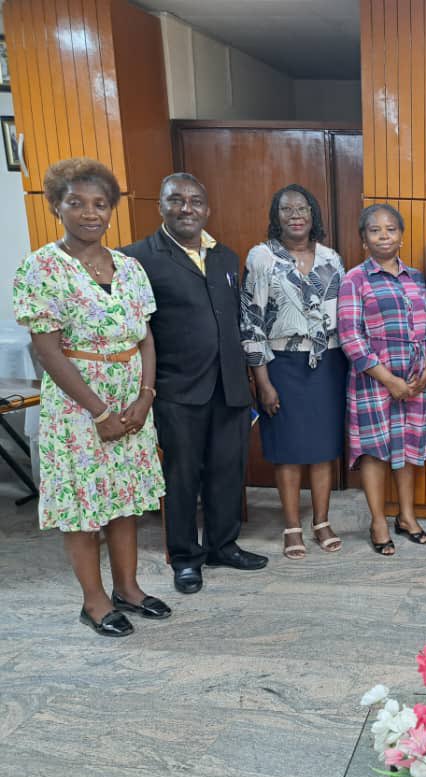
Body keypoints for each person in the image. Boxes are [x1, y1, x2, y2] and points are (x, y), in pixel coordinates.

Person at [13, 158, 169, 636]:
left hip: (130, 401)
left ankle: (129, 588)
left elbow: (145, 336)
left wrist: (145, 397)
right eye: (76, 203)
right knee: (83, 507)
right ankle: (95, 601)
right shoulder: (42, 267)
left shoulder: (128, 267)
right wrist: (99, 410)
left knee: (124, 500)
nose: (89, 213)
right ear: (56, 205)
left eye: (100, 204)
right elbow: (47, 348)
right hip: (79, 408)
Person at [122, 173, 267, 595]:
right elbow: (138, 331)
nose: (188, 208)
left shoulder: (224, 255)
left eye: (196, 201)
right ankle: (186, 557)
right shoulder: (136, 259)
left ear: (207, 208)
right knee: (182, 476)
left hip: (229, 387)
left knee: (227, 470)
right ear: (160, 205)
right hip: (177, 390)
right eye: (177, 200)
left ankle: (223, 545)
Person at [241, 184, 347, 560]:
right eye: (286, 209)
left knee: (323, 449)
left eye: (302, 208)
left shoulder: (332, 259)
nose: (295, 214)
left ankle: (321, 521)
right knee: (287, 451)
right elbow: (251, 323)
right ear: (277, 216)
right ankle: (291, 526)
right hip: (282, 364)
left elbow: (344, 315)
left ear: (313, 214)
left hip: (329, 364)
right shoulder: (262, 258)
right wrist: (262, 380)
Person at [338, 204, 426, 556]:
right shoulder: (355, 279)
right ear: (363, 239)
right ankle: (378, 520)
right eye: (375, 230)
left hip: (414, 379)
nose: (384, 235)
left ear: (401, 234)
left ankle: (407, 516)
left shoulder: (417, 278)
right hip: (373, 378)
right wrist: (387, 379)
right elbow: (350, 337)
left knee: (407, 447)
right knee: (375, 450)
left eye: (391, 229)